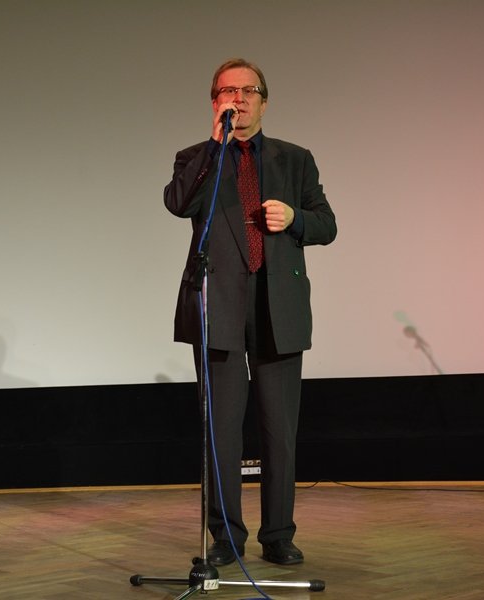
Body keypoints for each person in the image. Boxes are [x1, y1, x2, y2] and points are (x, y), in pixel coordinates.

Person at [163, 58, 337, 566]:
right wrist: (214, 147)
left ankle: (278, 534)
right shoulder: (196, 157)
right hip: (217, 302)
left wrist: (296, 218)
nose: (237, 99)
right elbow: (178, 203)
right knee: (220, 430)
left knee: (279, 430)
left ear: (264, 101)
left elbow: (327, 224)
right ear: (214, 101)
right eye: (227, 91)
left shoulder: (295, 159)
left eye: (247, 91)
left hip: (277, 303)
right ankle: (226, 537)